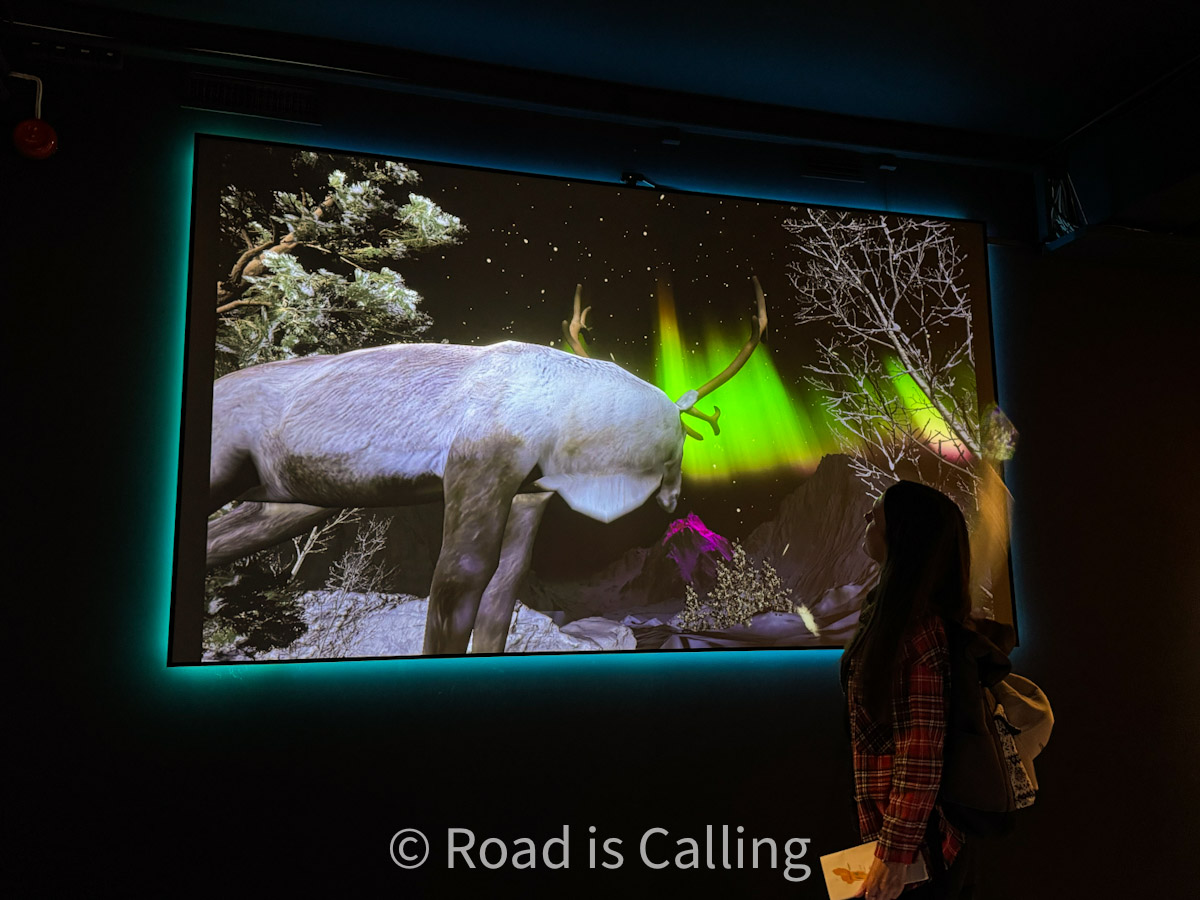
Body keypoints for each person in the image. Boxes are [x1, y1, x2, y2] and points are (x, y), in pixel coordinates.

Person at [840, 481, 976, 900]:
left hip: (918, 852)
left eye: (876, 514)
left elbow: (920, 751)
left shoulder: (917, 631)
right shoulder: (901, 619)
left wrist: (894, 853)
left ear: (901, 533)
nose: (866, 519)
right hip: (905, 842)